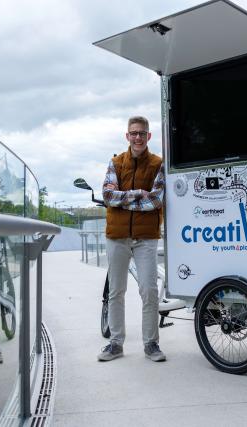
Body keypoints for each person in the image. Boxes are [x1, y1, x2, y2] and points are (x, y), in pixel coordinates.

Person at [97, 116, 166, 362]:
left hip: (146, 237)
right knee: (116, 291)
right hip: (117, 236)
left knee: (149, 289)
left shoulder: (158, 164)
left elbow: (156, 200)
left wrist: (123, 199)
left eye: (142, 133)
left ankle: (151, 344)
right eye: (133, 133)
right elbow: (107, 195)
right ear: (127, 136)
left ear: (149, 136)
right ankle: (115, 343)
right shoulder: (116, 162)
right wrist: (138, 194)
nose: (138, 137)